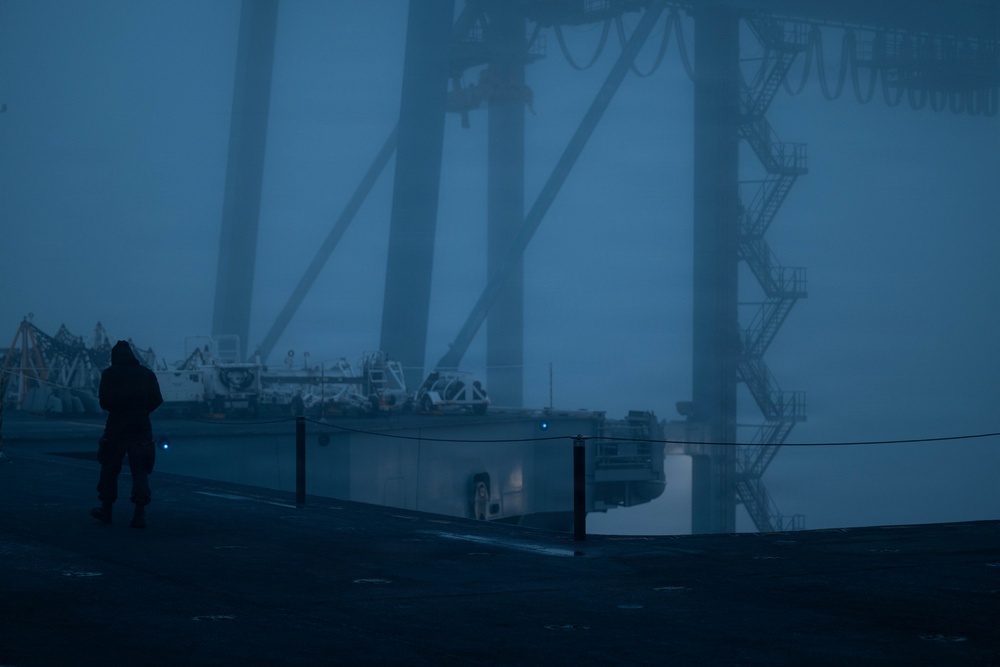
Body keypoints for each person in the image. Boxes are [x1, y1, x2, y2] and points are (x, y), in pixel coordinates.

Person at [90, 340, 163, 528]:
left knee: (109, 468)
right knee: (140, 471)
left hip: (116, 428)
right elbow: (157, 399)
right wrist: (142, 410)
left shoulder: (109, 374)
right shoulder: (147, 373)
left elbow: (104, 403)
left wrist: (120, 408)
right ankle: (139, 514)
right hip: (141, 428)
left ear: (114, 357)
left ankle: (106, 511)